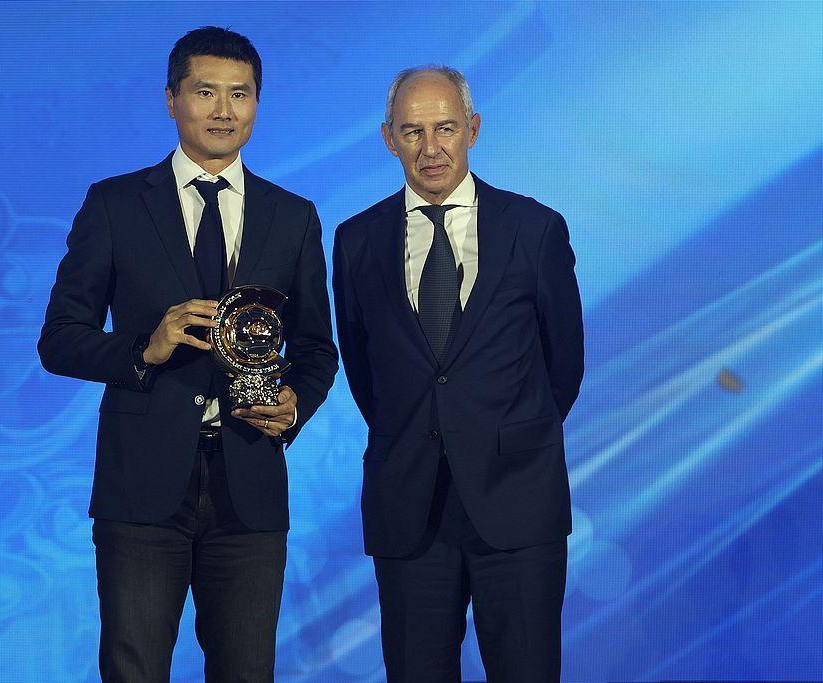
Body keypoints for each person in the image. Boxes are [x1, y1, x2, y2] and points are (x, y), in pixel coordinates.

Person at [38, 26, 337, 682]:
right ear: (171, 99)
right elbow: (59, 338)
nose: (224, 110)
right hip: (141, 487)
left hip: (250, 485)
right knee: (135, 669)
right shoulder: (115, 205)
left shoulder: (293, 216)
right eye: (205, 92)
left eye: (240, 94)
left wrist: (293, 405)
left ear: (257, 103)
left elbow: (317, 346)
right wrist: (146, 348)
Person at [332, 65, 584, 682]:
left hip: (517, 503)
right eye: (412, 131)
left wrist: (501, 434)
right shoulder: (356, 241)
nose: (431, 148)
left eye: (445, 128)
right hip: (409, 509)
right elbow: (365, 370)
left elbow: (565, 364)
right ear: (388, 139)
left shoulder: (535, 229)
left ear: (473, 129)